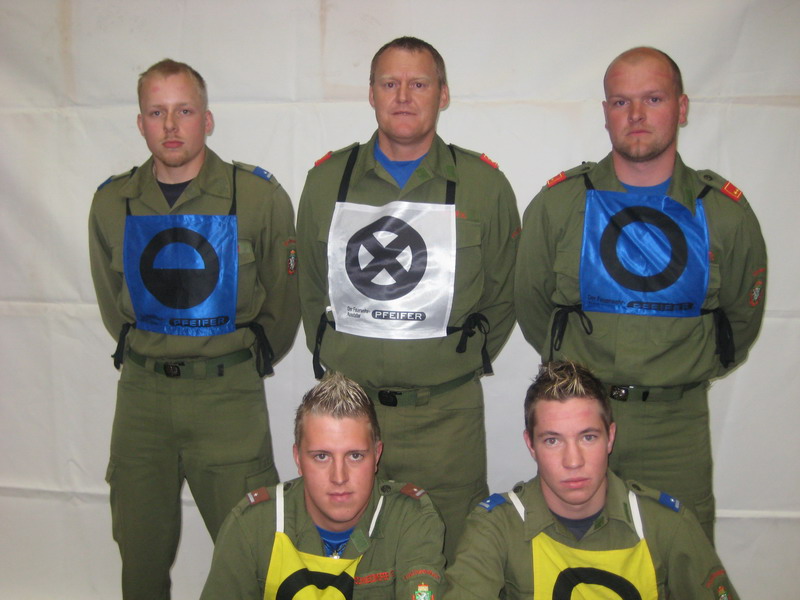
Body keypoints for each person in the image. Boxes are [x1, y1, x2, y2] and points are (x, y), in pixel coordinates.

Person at [514, 47, 766, 539]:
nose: (635, 115)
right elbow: (533, 308)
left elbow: (738, 323)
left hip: (676, 426)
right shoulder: (560, 205)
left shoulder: (723, 213)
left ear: (682, 107)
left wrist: (678, 371)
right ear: (605, 112)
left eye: (653, 98)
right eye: (620, 102)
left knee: (682, 561)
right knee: (578, 561)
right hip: (578, 421)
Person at [296, 36, 520, 562]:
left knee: (452, 561)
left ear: (443, 94)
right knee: (351, 564)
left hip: (447, 420)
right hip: (350, 417)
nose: (403, 96)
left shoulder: (483, 186)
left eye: (418, 83)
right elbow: (308, 289)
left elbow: (505, 295)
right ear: (371, 93)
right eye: (389, 83)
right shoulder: (327, 182)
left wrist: (451, 361)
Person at [88, 59, 299, 599]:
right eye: (156, 112)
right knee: (139, 556)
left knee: (255, 554)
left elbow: (283, 302)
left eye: (184, 111)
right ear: (141, 122)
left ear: (207, 119)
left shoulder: (257, 197)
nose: (171, 125)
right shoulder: (112, 203)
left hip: (227, 401)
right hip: (142, 401)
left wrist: (239, 359)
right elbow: (115, 307)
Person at [444, 361, 739, 599]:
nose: (573, 461)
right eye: (552, 440)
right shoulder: (496, 529)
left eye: (588, 437)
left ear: (610, 438)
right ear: (530, 445)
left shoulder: (666, 525)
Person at [200, 372, 446, 599]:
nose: (339, 477)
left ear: (377, 456)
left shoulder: (410, 520)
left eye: (355, 456)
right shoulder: (252, 525)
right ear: (298, 459)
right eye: (321, 456)